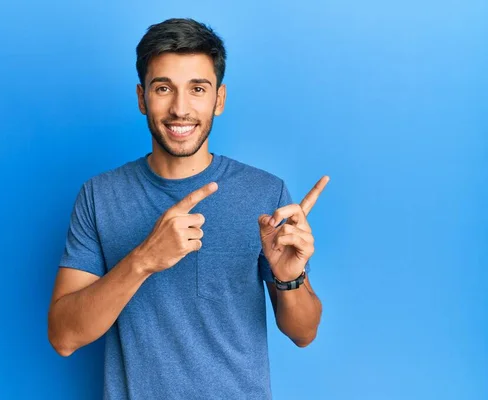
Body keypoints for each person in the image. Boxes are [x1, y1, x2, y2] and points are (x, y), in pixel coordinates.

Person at [47, 17, 329, 399]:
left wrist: (288, 278)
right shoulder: (99, 196)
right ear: (142, 98)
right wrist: (144, 259)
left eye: (198, 88)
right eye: (163, 88)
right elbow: (64, 337)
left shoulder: (265, 192)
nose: (180, 108)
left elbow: (304, 333)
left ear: (219, 98)